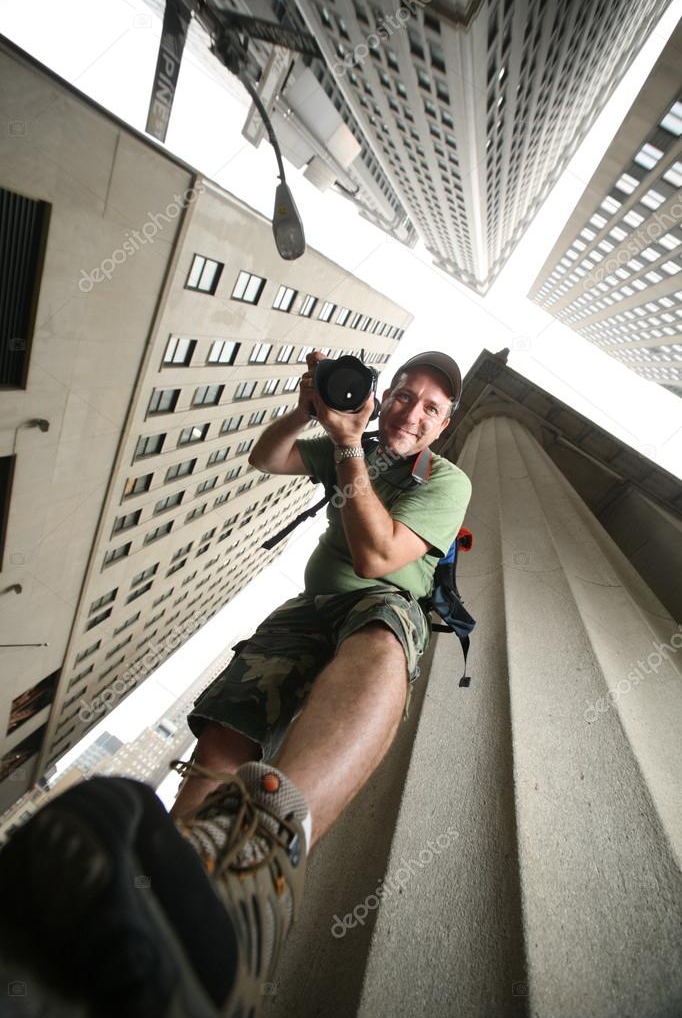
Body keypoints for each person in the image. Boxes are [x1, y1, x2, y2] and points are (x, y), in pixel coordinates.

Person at [0, 350, 471, 1018]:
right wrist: (307, 413)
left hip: (378, 602)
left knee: (386, 633)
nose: (411, 412)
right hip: (304, 609)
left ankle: (265, 855)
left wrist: (345, 450)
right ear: (383, 394)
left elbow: (377, 555)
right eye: (404, 394)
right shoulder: (352, 443)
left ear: (443, 426)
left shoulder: (444, 480)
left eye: (431, 407)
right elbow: (267, 457)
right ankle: (182, 870)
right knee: (235, 708)